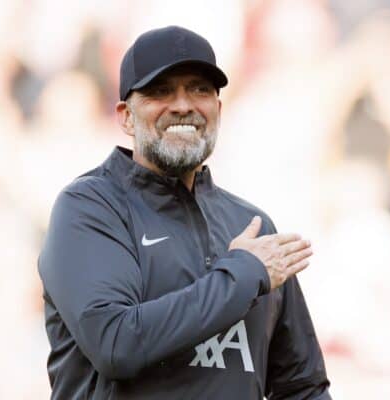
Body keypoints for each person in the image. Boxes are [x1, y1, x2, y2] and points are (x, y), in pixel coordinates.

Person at [38, 25, 331, 399]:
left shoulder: (252, 227)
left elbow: (301, 385)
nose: (182, 105)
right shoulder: (91, 208)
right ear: (126, 116)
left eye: (199, 89)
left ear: (218, 110)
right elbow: (115, 344)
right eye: (160, 91)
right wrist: (243, 273)